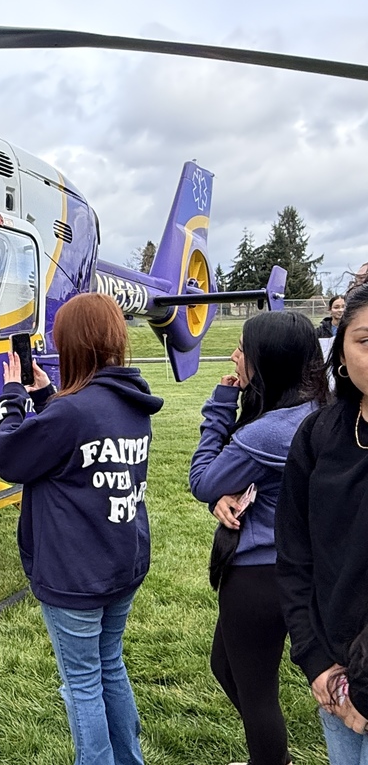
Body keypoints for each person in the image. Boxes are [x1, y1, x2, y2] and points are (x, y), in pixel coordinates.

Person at [0, 292, 162, 765]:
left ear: (73, 346)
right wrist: (46, 396)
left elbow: (10, 457)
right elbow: (76, 443)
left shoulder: (72, 413)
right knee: (110, 665)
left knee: (82, 682)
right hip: (121, 562)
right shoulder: (131, 402)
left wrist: (12, 397)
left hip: (75, 575)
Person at [189, 311, 328, 765]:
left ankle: (271, 761)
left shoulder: (269, 431)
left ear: (270, 360)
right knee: (225, 665)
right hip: (306, 567)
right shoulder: (322, 412)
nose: (236, 355)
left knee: (256, 691)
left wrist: (221, 401)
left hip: (258, 573)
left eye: (244, 349)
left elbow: (204, 479)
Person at [277, 281, 368, 764]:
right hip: (333, 675)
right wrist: (314, 658)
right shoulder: (320, 435)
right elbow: (294, 555)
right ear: (341, 352)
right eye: (366, 340)